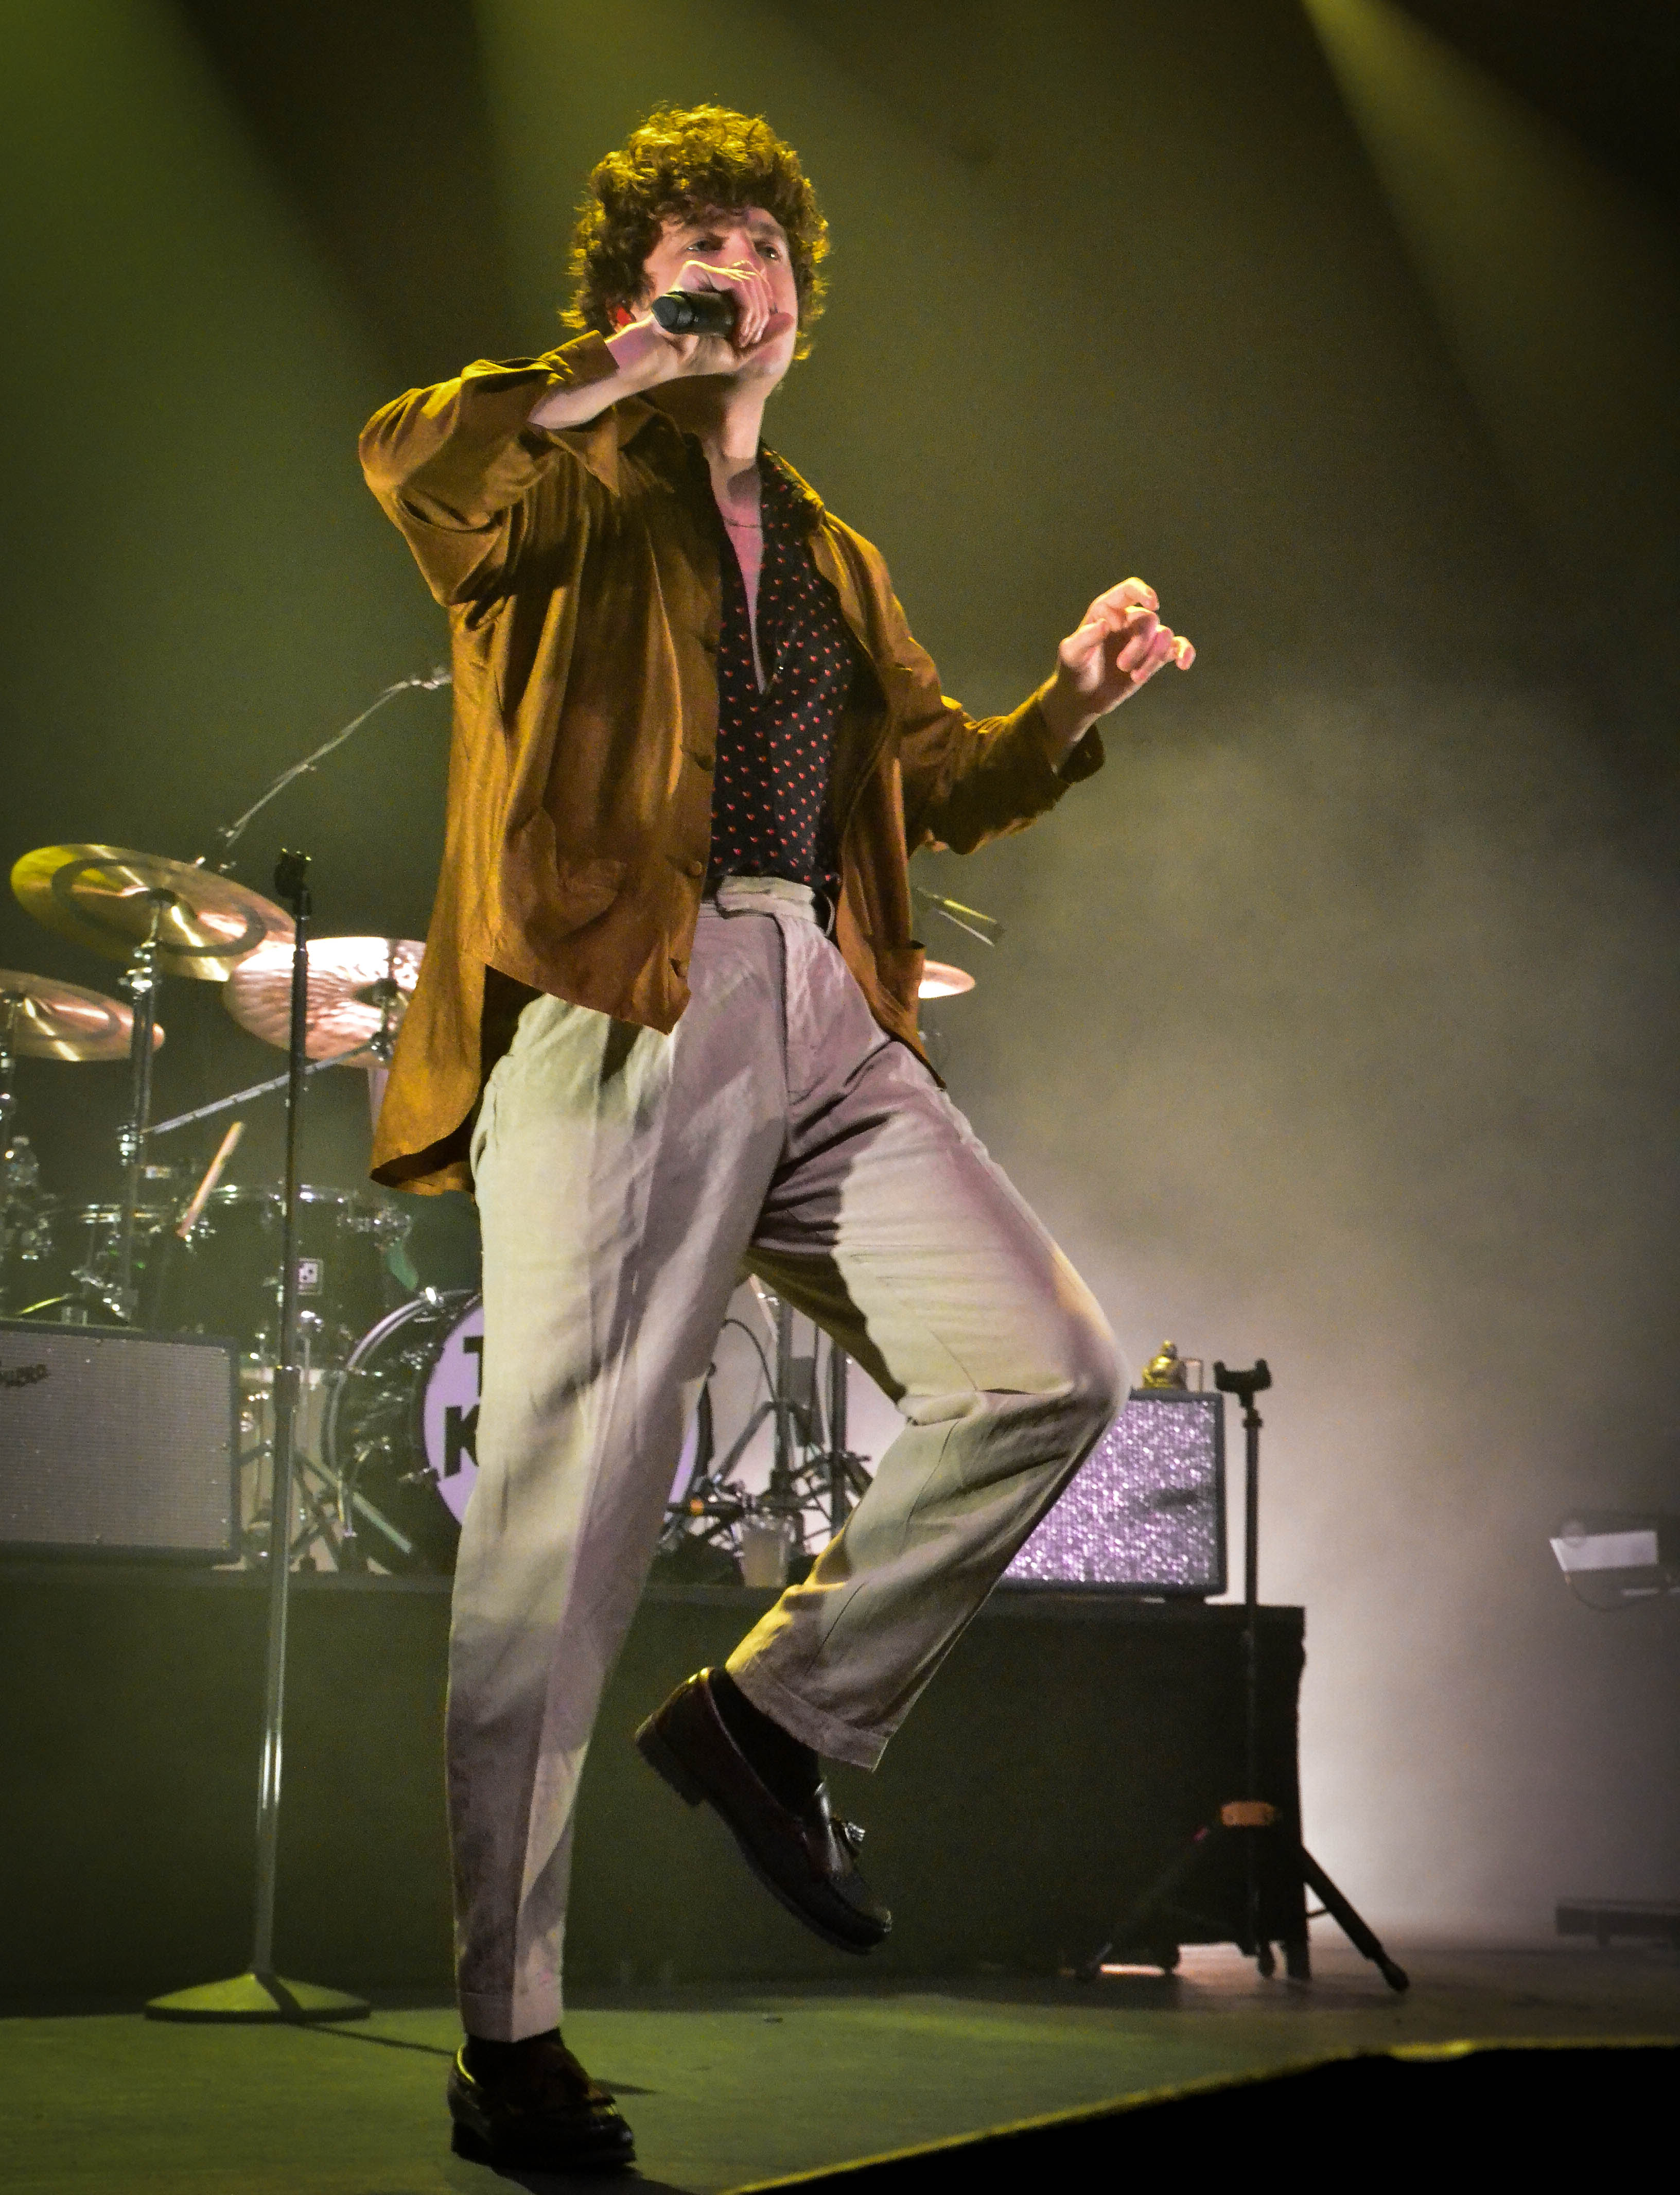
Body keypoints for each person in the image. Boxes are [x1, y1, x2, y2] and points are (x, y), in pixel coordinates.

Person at [359, 101, 1194, 2173]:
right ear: (642, 283)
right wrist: (635, 364)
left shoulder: (824, 545)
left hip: (816, 998)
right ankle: (508, 2038)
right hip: (616, 999)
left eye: (767, 246)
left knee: (1050, 1365)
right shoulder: (564, 478)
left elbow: (939, 780)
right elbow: (421, 463)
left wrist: (1070, 709)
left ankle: (767, 1712)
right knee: (561, 1525)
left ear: (805, 302)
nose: (745, 269)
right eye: (699, 244)